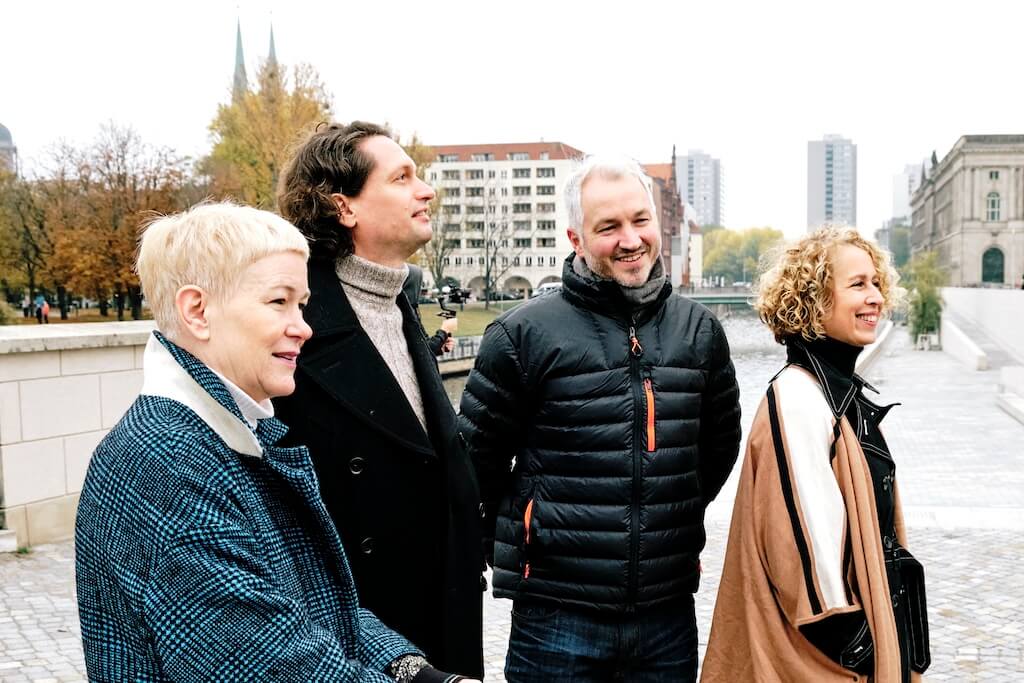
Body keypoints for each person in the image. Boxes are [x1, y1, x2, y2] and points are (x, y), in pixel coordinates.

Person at [75, 203, 470, 682]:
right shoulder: (167, 463)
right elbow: (268, 663)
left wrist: (416, 671)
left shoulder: (223, 434)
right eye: (278, 302)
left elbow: (319, 604)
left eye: (301, 304)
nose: (303, 326)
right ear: (197, 311)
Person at [459, 155, 742, 682]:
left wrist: (665, 514)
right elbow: (477, 463)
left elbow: (718, 450)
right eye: (608, 227)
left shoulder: (699, 332)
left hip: (666, 610)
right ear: (576, 238)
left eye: (640, 220)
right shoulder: (520, 337)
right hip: (555, 613)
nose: (631, 239)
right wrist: (530, 535)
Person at [274, 121, 484, 678]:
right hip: (367, 636)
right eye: (402, 177)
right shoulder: (293, 325)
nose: (427, 191)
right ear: (345, 208)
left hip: (443, 607)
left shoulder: (398, 298)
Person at [701, 227, 930, 682]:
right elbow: (802, 552)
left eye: (876, 283)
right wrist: (858, 647)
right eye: (857, 285)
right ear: (813, 301)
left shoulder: (833, 393)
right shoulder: (799, 396)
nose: (875, 298)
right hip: (817, 659)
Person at [404, 263, 458, 355]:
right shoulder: (403, 314)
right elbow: (423, 351)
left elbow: (425, 345)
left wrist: (440, 346)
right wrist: (444, 331)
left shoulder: (412, 310)